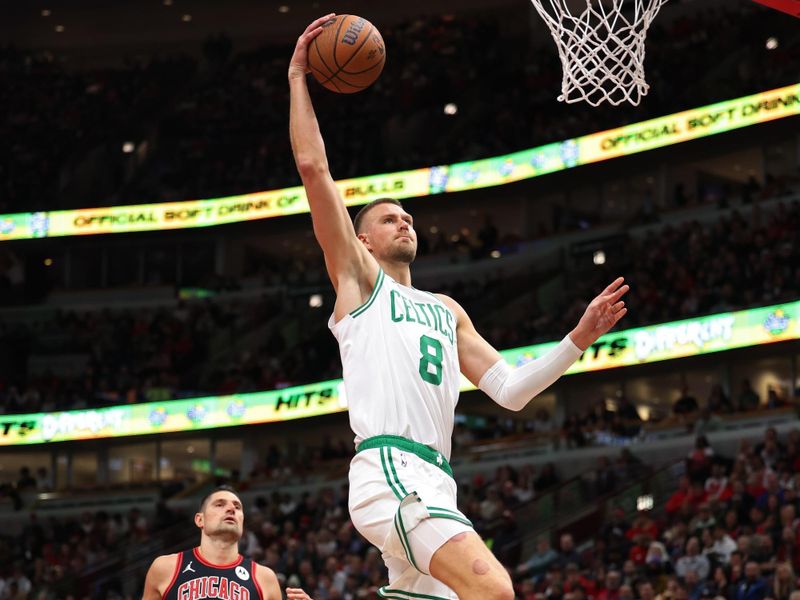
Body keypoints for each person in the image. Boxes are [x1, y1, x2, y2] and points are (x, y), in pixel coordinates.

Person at [288, 15, 630, 600]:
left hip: (437, 481)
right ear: (363, 240)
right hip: (389, 472)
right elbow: (315, 170)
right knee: (494, 591)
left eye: (409, 216)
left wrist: (577, 339)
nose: (405, 220)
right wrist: (298, 76)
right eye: (390, 217)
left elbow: (512, 391)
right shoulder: (358, 280)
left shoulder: (447, 309)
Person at [141, 486, 308, 600]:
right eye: (219, 504)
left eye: (237, 507)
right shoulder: (165, 567)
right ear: (200, 520)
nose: (231, 509)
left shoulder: (264, 578)